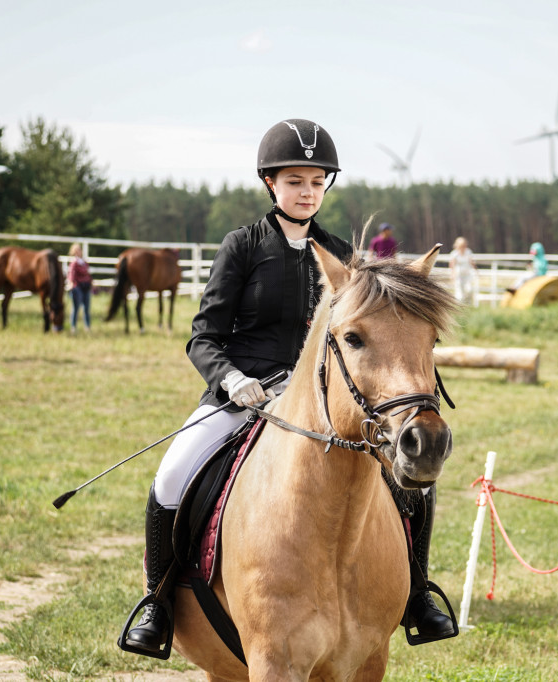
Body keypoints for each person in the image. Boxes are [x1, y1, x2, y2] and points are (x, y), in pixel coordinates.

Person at [121, 118, 456, 655]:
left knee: (415, 485)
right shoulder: (243, 246)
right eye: (295, 180)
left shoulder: (344, 257)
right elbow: (204, 336)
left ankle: (416, 594)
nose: (307, 191)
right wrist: (232, 379)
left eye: (317, 181)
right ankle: (157, 604)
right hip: (242, 395)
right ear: (271, 184)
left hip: (321, 401)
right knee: (171, 476)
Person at [66, 243, 92, 334]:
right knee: (76, 308)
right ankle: (73, 326)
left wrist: (91, 282)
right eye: (77, 250)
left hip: (86, 286)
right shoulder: (74, 263)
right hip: (78, 287)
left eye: (79, 249)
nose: (79, 251)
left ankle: (87, 326)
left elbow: (88, 274)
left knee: (86, 308)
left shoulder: (84, 262)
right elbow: (71, 275)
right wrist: (71, 284)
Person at [449, 236, 477, 305]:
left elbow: (472, 262)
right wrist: (452, 274)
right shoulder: (454, 253)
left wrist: (476, 270)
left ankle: (468, 304)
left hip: (467, 274)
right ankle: (460, 305)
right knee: (459, 292)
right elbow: (452, 265)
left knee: (469, 289)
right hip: (458, 275)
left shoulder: (468, 252)